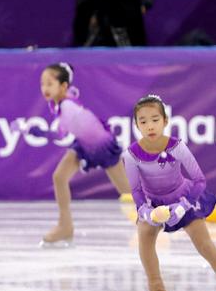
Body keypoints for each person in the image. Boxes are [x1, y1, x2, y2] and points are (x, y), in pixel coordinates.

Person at [124, 94, 216, 291]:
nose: (149, 126)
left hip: (185, 198)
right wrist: (146, 212)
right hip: (153, 203)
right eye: (143, 121)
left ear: (165, 121)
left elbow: (199, 181)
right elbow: (136, 191)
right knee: (145, 237)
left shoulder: (177, 147)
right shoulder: (132, 155)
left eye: (155, 119)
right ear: (136, 125)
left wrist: (182, 207)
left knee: (205, 244)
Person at [22, 63, 133, 245]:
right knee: (59, 177)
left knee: (126, 191)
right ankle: (65, 226)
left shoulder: (67, 107)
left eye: (50, 84)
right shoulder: (63, 103)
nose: (45, 88)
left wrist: (37, 132)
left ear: (63, 86)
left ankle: (156, 217)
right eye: (42, 84)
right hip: (83, 143)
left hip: (101, 146)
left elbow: (60, 135)